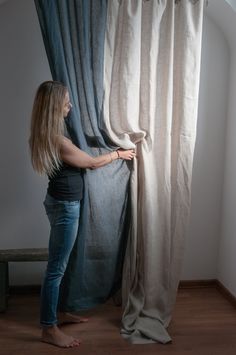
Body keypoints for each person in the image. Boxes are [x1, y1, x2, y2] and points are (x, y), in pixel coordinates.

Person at [29, 80, 136, 348]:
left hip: (59, 202)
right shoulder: (57, 139)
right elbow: (89, 163)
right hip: (65, 207)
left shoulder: (48, 133)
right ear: (55, 106)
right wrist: (118, 154)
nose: (71, 105)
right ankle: (48, 328)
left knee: (62, 265)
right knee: (56, 269)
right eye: (66, 101)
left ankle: (59, 312)